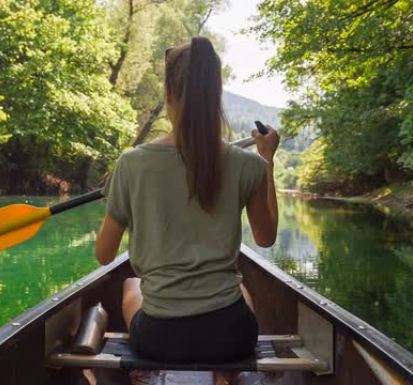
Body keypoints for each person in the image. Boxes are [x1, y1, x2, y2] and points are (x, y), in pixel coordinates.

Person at [94, 36, 279, 374]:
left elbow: (104, 255)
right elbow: (266, 238)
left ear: (167, 95)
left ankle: (145, 376)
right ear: (216, 96)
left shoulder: (131, 164)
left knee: (131, 284)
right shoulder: (248, 165)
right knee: (239, 287)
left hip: (160, 337)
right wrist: (268, 159)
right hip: (231, 336)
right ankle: (227, 377)